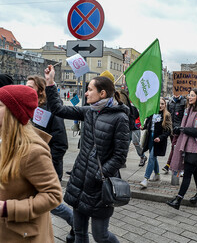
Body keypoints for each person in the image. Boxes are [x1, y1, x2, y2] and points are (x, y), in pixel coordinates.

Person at [44, 65, 130, 242]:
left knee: (101, 235)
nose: (86, 93)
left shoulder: (120, 117)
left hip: (99, 187)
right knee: (80, 232)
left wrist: (100, 174)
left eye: (90, 90)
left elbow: (120, 156)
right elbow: (59, 109)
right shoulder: (90, 112)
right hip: (80, 182)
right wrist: (50, 82)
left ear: (103, 93)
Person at [0, 85, 62, 242]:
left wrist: (7, 208)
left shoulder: (32, 152)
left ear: (13, 112)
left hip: (21, 235)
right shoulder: (4, 139)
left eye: (0, 105)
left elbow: (53, 195)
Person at [26, 75, 74, 243]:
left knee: (50, 205)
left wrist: (45, 166)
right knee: (39, 206)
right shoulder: (28, 108)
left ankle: (76, 222)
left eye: (30, 86)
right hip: (30, 167)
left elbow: (61, 144)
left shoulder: (50, 109)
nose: (26, 89)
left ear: (40, 90)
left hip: (47, 167)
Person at [167, 89, 197, 210]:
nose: (189, 97)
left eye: (192, 95)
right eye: (189, 95)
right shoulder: (188, 110)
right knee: (195, 171)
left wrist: (186, 130)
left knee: (187, 173)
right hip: (187, 145)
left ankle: (178, 199)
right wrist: (179, 129)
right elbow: (184, 127)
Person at [140, 97, 172, 188]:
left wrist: (160, 138)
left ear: (165, 105)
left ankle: (146, 178)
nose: (160, 106)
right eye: (159, 104)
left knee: (151, 157)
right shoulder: (152, 112)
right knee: (153, 157)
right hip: (150, 138)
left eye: (162, 104)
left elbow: (169, 130)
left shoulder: (167, 115)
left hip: (159, 140)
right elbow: (148, 124)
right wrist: (144, 127)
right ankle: (157, 174)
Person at [119, 89, 148, 167]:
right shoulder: (120, 107)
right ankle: (123, 161)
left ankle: (142, 157)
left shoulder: (132, 106)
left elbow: (138, 116)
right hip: (126, 129)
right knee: (125, 145)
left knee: (136, 143)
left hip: (134, 128)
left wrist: (137, 124)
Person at [162, 94, 186, 174]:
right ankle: (171, 165)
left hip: (180, 129)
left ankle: (169, 165)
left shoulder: (184, 101)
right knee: (174, 148)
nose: (176, 94)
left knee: (176, 147)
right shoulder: (170, 102)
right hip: (172, 129)